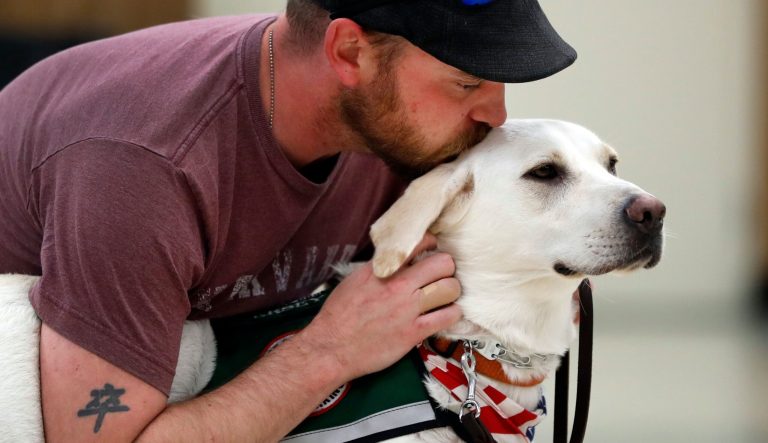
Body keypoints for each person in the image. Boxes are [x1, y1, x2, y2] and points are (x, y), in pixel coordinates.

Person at [0, 0, 576, 440]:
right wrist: (327, 351)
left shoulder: (396, 126)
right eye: (467, 82)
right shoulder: (144, 167)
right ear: (349, 53)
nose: (495, 114)